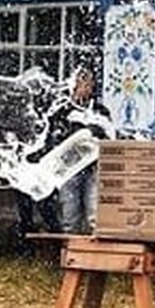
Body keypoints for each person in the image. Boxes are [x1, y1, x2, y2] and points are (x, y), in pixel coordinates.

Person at [50, 66, 112, 234]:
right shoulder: (63, 110)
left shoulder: (100, 110)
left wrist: (96, 132)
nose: (86, 89)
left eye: (89, 85)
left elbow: (110, 135)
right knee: (69, 214)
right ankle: (70, 252)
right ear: (74, 86)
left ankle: (94, 251)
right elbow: (54, 138)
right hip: (69, 169)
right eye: (81, 84)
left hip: (93, 167)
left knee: (95, 212)